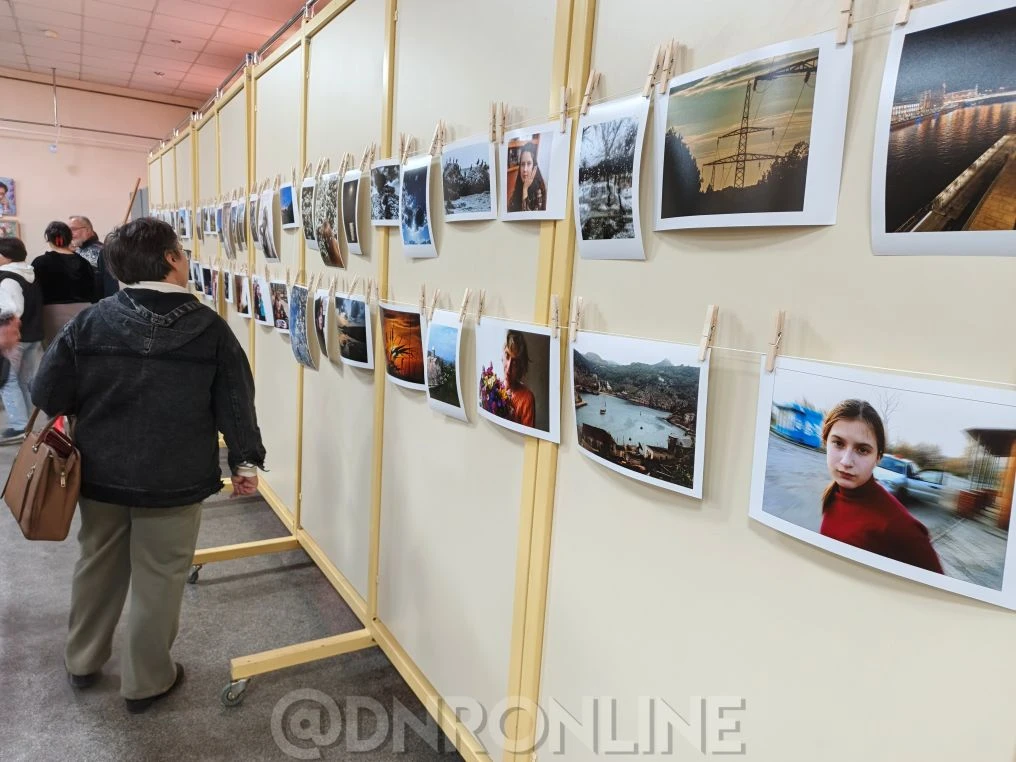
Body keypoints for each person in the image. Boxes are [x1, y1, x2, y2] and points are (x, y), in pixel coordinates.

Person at [31, 217, 266, 714]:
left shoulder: (90, 322)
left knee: (97, 563)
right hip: (174, 478)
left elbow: (47, 393)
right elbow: (235, 403)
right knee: (160, 575)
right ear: (172, 260)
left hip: (100, 473)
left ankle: (82, 660)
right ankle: (146, 681)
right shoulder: (210, 329)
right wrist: (245, 462)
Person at [818, 399, 943, 574]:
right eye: (838, 443)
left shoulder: (898, 526)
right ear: (826, 441)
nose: (846, 461)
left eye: (862, 450)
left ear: (878, 458)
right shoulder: (834, 494)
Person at [0, 237, 44, 442]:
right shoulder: (29, 273)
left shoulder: (7, 278)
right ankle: (26, 425)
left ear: (5, 256)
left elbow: (12, 310)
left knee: (7, 380)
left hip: (15, 338)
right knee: (23, 381)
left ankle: (19, 425)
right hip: (33, 336)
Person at [32, 221, 97, 343]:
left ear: (49, 239)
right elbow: (93, 290)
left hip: (52, 314)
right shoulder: (84, 263)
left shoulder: (40, 262)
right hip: (84, 313)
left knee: (55, 350)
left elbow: (35, 293)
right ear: (69, 238)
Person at [503, 330, 535, 428]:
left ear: (521, 367)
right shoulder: (495, 385)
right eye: (507, 356)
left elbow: (527, 436)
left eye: (515, 362)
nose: (508, 368)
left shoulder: (527, 399)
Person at [507, 142, 547, 213]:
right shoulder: (518, 186)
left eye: (529, 164)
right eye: (522, 164)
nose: (525, 169)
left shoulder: (539, 191)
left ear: (534, 167)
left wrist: (525, 189)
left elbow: (528, 217)